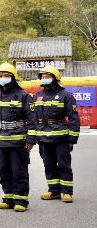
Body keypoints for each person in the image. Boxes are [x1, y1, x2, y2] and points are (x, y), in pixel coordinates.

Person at [0, 63, 36, 212]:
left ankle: (21, 199)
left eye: (6, 76)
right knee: (4, 170)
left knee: (19, 170)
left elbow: (32, 119)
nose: (2, 79)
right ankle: (8, 197)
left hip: (18, 141)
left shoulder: (24, 96)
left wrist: (30, 139)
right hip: (1, 141)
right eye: (0, 76)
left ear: (13, 78)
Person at [34, 65, 80, 203]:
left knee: (64, 164)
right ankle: (53, 190)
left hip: (61, 137)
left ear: (55, 78)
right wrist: (36, 135)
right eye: (42, 77)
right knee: (49, 164)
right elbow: (32, 117)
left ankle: (67, 192)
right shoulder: (37, 95)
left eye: (47, 77)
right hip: (43, 137)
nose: (44, 79)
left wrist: (73, 137)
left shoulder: (66, 95)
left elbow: (74, 117)